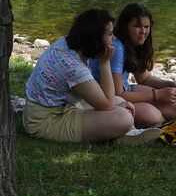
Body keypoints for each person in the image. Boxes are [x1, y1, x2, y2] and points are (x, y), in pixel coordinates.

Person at [23, 8, 154, 144]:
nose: (114, 38)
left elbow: (106, 99)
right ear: (96, 38)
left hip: (58, 106)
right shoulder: (72, 67)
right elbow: (107, 104)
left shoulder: (67, 44)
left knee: (120, 101)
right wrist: (104, 63)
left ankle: (124, 133)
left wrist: (118, 103)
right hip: (45, 122)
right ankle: (123, 133)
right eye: (109, 34)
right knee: (123, 117)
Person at [92, 2, 176, 127]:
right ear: (125, 26)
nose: (143, 31)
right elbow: (117, 94)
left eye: (146, 26)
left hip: (125, 89)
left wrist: (170, 85)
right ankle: (158, 121)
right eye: (137, 26)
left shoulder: (135, 43)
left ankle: (162, 119)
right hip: (106, 97)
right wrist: (157, 95)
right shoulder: (116, 48)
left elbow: (145, 78)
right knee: (153, 116)